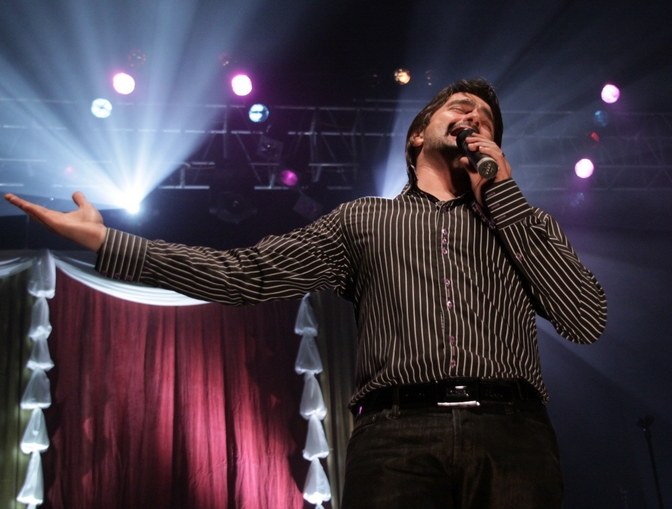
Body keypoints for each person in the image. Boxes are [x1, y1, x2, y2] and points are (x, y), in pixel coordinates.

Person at [5, 78, 607, 508]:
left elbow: (584, 319)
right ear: (418, 135)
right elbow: (247, 273)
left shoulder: (526, 224)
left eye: (485, 118)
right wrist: (107, 243)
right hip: (397, 438)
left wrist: (503, 199)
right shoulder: (363, 220)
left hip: (514, 436)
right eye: (459, 106)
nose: (473, 115)